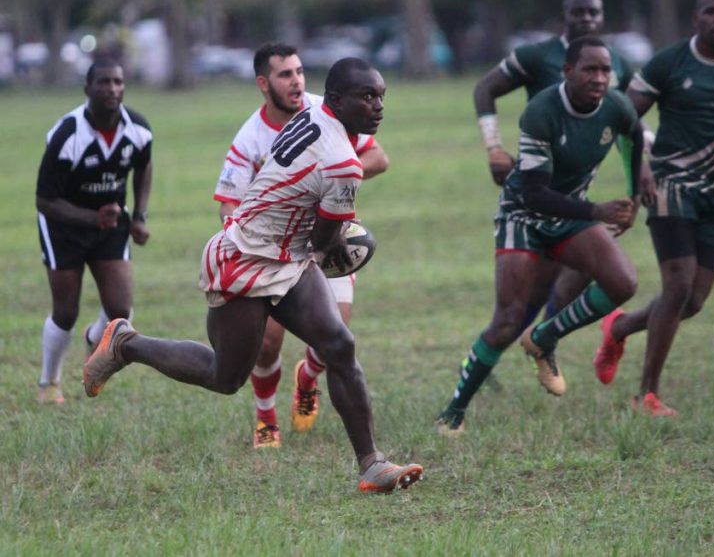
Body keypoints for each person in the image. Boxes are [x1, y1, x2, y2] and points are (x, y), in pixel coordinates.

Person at [83, 58, 423, 494]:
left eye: (381, 96)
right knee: (225, 378)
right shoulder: (343, 163)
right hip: (246, 258)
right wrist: (344, 248)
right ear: (337, 100)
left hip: (288, 256)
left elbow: (312, 242)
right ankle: (126, 343)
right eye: (367, 97)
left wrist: (326, 246)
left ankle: (372, 464)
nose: (378, 106)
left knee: (339, 344)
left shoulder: (318, 112)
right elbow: (322, 241)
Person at [435, 36, 645, 435]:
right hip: (524, 214)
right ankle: (454, 413)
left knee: (624, 282)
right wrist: (597, 211)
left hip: (572, 211)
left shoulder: (616, 105)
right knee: (507, 319)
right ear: (567, 72)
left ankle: (544, 337)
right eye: (590, 69)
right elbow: (534, 193)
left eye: (605, 70)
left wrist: (634, 198)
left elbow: (633, 139)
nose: (600, 78)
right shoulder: (541, 111)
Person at [592, 0, 714, 416]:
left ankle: (622, 325)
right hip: (669, 186)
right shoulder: (670, 62)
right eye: (712, 12)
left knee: (692, 301)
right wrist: (644, 167)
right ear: (696, 17)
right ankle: (646, 395)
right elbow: (623, 114)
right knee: (677, 286)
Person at [214, 43, 389, 448]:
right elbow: (228, 202)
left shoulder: (325, 109)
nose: (296, 82)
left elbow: (378, 158)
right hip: (275, 249)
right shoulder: (250, 137)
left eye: (299, 72)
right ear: (264, 84)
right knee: (267, 343)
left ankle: (307, 378)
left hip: (329, 236)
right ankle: (266, 418)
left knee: (336, 337)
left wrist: (330, 181)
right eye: (284, 75)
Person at [472, 0, 643, 354]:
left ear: (603, 17)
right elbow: (485, 88)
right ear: (564, 16)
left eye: (594, 12)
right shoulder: (537, 56)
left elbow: (627, 122)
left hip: (579, 195)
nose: (586, 19)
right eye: (578, 12)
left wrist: (641, 174)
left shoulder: (617, 64)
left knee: (581, 277)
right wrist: (494, 146)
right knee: (529, 295)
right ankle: (502, 352)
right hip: (539, 187)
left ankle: (541, 343)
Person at [34, 58, 152, 404]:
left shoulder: (139, 129)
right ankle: (49, 383)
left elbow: (144, 166)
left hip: (110, 222)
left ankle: (94, 338)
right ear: (88, 89)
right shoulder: (67, 134)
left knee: (121, 312)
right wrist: (90, 219)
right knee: (65, 311)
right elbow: (45, 200)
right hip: (63, 227)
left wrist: (140, 215)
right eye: (103, 82)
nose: (112, 89)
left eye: (118, 82)